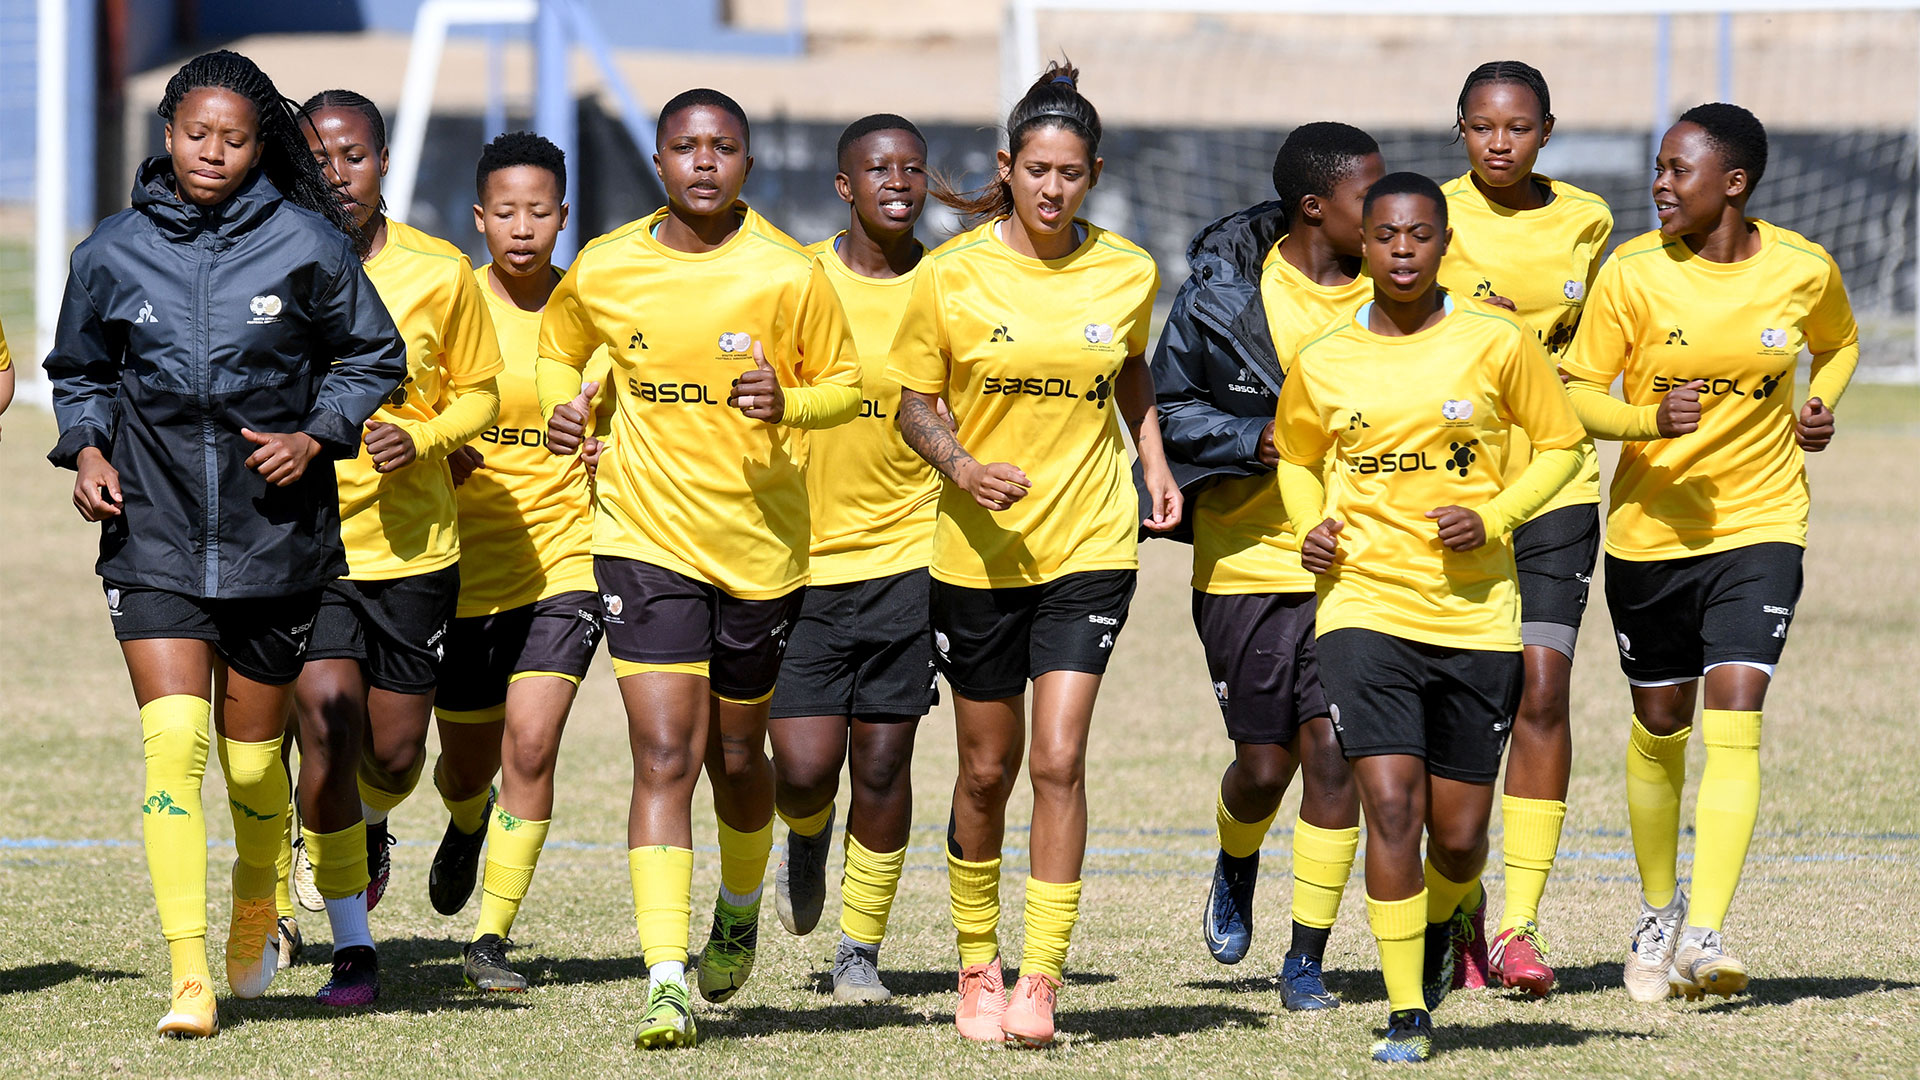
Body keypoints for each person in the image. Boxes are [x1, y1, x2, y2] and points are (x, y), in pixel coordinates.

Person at [42, 49, 404, 1037]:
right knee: (173, 750)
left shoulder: (308, 247)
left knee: (253, 773)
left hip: (273, 541)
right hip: (150, 534)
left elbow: (375, 357)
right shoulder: (110, 252)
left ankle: (258, 898)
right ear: (167, 136)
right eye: (196, 133)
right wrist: (86, 450)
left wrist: (314, 433)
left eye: (234, 138)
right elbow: (80, 372)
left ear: (258, 149)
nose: (212, 151)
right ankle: (189, 977)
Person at [539, 87, 861, 1049]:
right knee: (665, 754)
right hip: (641, 537)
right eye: (687, 146)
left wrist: (789, 403)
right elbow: (561, 349)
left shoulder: (789, 274)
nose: (705, 162)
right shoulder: (605, 267)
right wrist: (570, 409)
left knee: (735, 757)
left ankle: (738, 901)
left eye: (724, 147)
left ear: (749, 167)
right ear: (659, 162)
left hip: (759, 550)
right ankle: (667, 977)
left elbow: (846, 387)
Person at [888, 61, 1178, 1048]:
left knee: (1059, 758)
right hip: (976, 553)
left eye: (1072, 174)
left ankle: (1041, 980)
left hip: (1091, 542)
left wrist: (1155, 461)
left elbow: (1130, 371)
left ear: (1092, 173)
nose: (1053, 189)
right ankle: (978, 964)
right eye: (1037, 170)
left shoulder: (1129, 271)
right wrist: (964, 469)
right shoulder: (952, 273)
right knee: (986, 769)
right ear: (1008, 167)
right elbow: (914, 403)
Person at [1273, 172, 1586, 1062]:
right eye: (1385, 235)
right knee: (1390, 805)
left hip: (1476, 614)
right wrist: (1312, 528)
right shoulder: (1328, 353)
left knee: (1458, 838)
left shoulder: (1498, 341)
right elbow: (1297, 456)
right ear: (1362, 246)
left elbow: (1560, 445)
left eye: (1419, 235)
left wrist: (1493, 518)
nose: (1402, 249)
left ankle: (1452, 918)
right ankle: (1408, 1011)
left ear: (1444, 244)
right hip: (1363, 606)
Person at [1560, 103, 1858, 1003]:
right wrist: (1648, 419)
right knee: (1660, 726)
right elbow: (1574, 392)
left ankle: (1706, 935)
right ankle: (1657, 911)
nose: (1660, 183)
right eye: (1658, 166)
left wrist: (1818, 406)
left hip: (1761, 524)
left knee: (1738, 711)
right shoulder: (1634, 273)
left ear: (1733, 183)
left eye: (1677, 170)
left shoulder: (1804, 269)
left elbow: (1837, 343)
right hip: (1650, 535)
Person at [1148, 122, 1380, 1010]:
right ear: (1316, 208)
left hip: (1359, 569)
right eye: (1370, 196)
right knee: (1263, 764)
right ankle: (1235, 858)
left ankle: (1305, 959)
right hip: (1246, 565)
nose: (1390, 213)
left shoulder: (1399, 295)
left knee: (1335, 756)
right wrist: (1260, 437)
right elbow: (1170, 413)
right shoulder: (1221, 295)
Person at [295, 88, 504, 1007]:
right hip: (305, 545)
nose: (336, 174)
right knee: (327, 726)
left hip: (415, 547)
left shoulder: (440, 271)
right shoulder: (271, 257)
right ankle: (353, 946)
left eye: (354, 156)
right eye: (318, 157)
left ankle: (373, 823)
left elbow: (482, 398)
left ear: (385, 164)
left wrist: (419, 439)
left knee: (395, 752)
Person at [1433, 60, 1614, 996]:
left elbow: (1582, 364)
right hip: (1449, 496)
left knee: (1543, 689)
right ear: (1458, 129)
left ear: (1548, 129)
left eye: (1517, 127)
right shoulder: (1430, 215)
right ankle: (1452, 911)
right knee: (1466, 702)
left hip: (1558, 486)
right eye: (1480, 126)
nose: (1498, 143)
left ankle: (1517, 926)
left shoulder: (1588, 220)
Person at [765, 113, 941, 1003]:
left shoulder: (951, 282)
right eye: (878, 169)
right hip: (797, 561)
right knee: (800, 769)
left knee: (883, 761)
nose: (898, 182)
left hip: (910, 554)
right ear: (845, 185)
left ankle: (858, 952)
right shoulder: (800, 279)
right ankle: (805, 832)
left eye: (913, 167)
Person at [438, 131, 612, 991]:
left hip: (566, 563)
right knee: (462, 766)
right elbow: (399, 410)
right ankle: (465, 822)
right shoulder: (449, 302)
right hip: (458, 568)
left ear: (563, 218)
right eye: (505, 211)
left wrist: (605, 447)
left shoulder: (599, 310)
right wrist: (439, 452)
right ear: (479, 217)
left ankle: (491, 939)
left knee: (531, 747)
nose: (521, 227)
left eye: (539, 211)